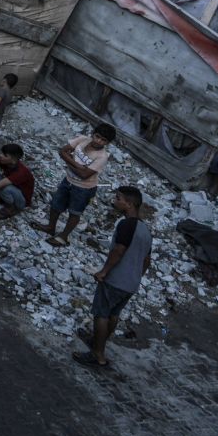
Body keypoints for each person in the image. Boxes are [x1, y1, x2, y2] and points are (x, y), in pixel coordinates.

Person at [75, 186, 152, 371]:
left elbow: (119, 250)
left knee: (101, 314)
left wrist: (104, 271)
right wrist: (135, 276)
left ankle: (98, 354)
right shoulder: (145, 230)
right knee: (113, 314)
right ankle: (97, 343)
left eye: (118, 198)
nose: (114, 201)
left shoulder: (126, 225)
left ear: (129, 203)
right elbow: (147, 260)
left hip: (116, 280)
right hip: (131, 283)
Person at [34, 123, 115, 246]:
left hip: (84, 189)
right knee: (56, 204)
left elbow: (84, 175)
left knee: (74, 212)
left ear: (107, 143)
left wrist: (69, 160)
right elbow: (62, 151)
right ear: (93, 134)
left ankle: (63, 237)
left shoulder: (102, 157)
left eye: (103, 140)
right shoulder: (83, 140)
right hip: (68, 180)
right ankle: (51, 227)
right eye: (97, 136)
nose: (98, 141)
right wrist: (78, 165)